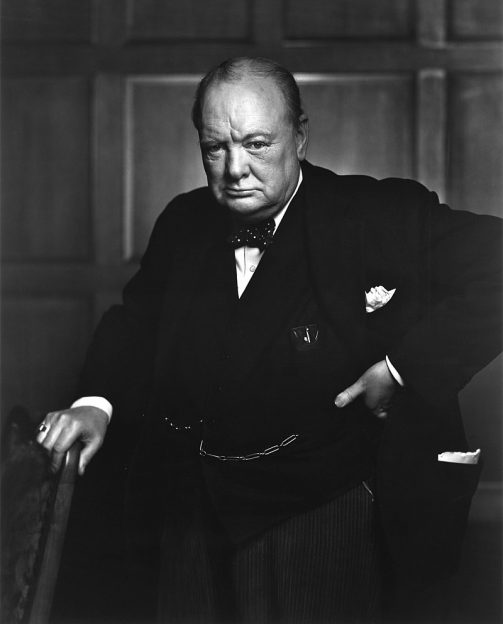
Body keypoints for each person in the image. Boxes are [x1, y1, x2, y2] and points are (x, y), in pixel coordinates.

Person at [37, 57, 502, 623]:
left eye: (257, 144)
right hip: (189, 515)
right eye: (215, 148)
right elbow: (136, 324)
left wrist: (402, 368)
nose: (235, 169)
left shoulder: (373, 213)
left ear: (300, 136)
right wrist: (97, 405)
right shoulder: (183, 221)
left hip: (325, 515)